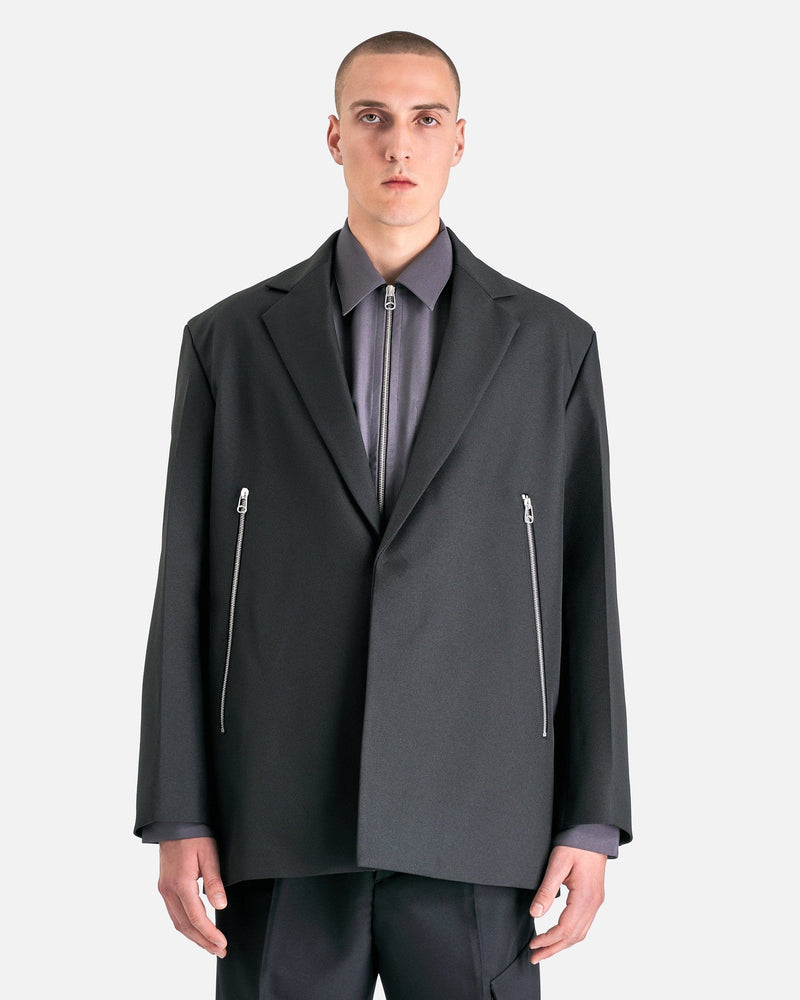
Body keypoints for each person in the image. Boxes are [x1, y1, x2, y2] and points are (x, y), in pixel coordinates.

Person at [134, 29, 632, 1000]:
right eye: (372, 118)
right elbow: (186, 584)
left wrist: (590, 816)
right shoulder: (229, 342)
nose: (398, 144)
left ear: (459, 140)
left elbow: (585, 582)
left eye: (424, 119)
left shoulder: (550, 346)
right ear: (334, 137)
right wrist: (177, 809)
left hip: (480, 818)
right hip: (279, 815)